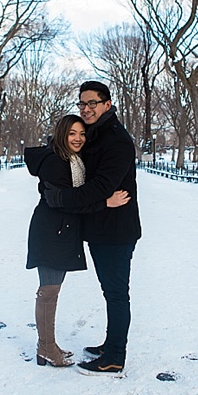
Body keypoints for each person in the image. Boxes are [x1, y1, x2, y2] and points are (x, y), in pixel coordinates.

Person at [44, 81, 141, 376]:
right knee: (110, 290)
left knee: (115, 292)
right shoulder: (97, 134)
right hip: (101, 228)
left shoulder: (116, 140)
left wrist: (62, 199)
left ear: (107, 105)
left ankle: (114, 357)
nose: (86, 109)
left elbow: (100, 186)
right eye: (82, 104)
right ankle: (110, 344)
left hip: (116, 230)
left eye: (92, 104)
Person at [24, 114, 129, 368]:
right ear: (62, 134)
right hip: (51, 232)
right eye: (72, 134)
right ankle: (45, 348)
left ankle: (48, 345)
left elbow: (73, 198)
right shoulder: (55, 162)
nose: (78, 138)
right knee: (48, 291)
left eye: (82, 134)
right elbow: (69, 201)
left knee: (51, 289)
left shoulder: (72, 160)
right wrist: (105, 202)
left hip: (61, 231)